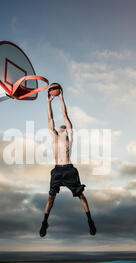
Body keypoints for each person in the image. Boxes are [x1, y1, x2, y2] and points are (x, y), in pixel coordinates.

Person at [40, 84, 96, 237]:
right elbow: (50, 118)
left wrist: (61, 98)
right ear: (58, 129)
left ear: (68, 129)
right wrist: (49, 102)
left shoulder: (69, 137)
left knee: (81, 196)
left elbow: (65, 115)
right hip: (57, 170)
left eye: (65, 126)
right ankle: (45, 222)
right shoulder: (54, 135)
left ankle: (90, 220)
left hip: (69, 169)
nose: (63, 125)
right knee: (51, 197)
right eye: (61, 126)